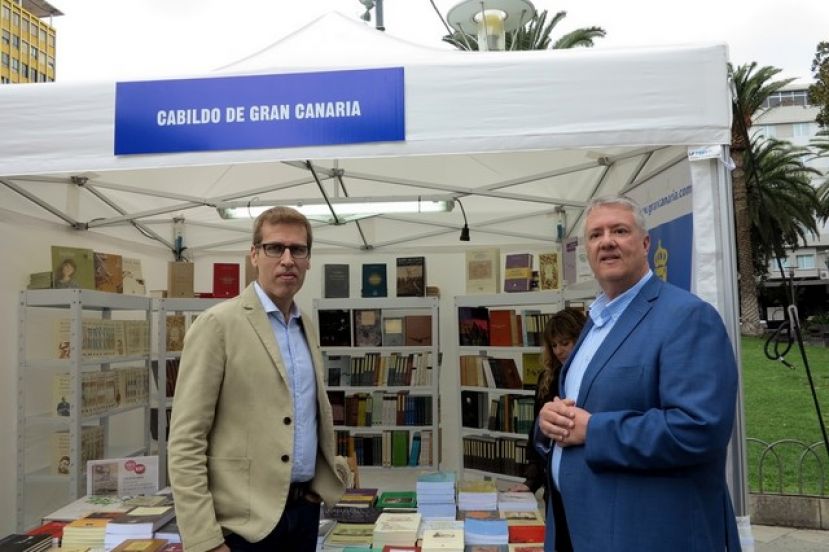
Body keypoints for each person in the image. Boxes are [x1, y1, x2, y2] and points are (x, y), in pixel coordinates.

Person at [536, 195, 741, 551]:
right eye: (596, 235)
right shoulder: (597, 322)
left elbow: (699, 428)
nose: (607, 241)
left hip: (646, 535)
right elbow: (583, 406)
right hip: (580, 529)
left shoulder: (687, 317)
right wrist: (550, 421)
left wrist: (594, 430)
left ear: (645, 243)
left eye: (619, 230)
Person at [168, 207, 349, 552]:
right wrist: (204, 540)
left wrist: (319, 484)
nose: (287, 259)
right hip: (243, 526)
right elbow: (185, 440)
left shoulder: (305, 326)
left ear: (308, 260)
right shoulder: (217, 325)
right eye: (274, 248)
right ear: (254, 254)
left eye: (298, 250)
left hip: (303, 512)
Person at [509, 308, 586, 552]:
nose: (559, 350)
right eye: (554, 345)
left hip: (583, 478)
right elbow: (537, 435)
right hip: (553, 482)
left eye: (565, 343)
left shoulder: (590, 376)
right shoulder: (547, 378)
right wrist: (530, 481)